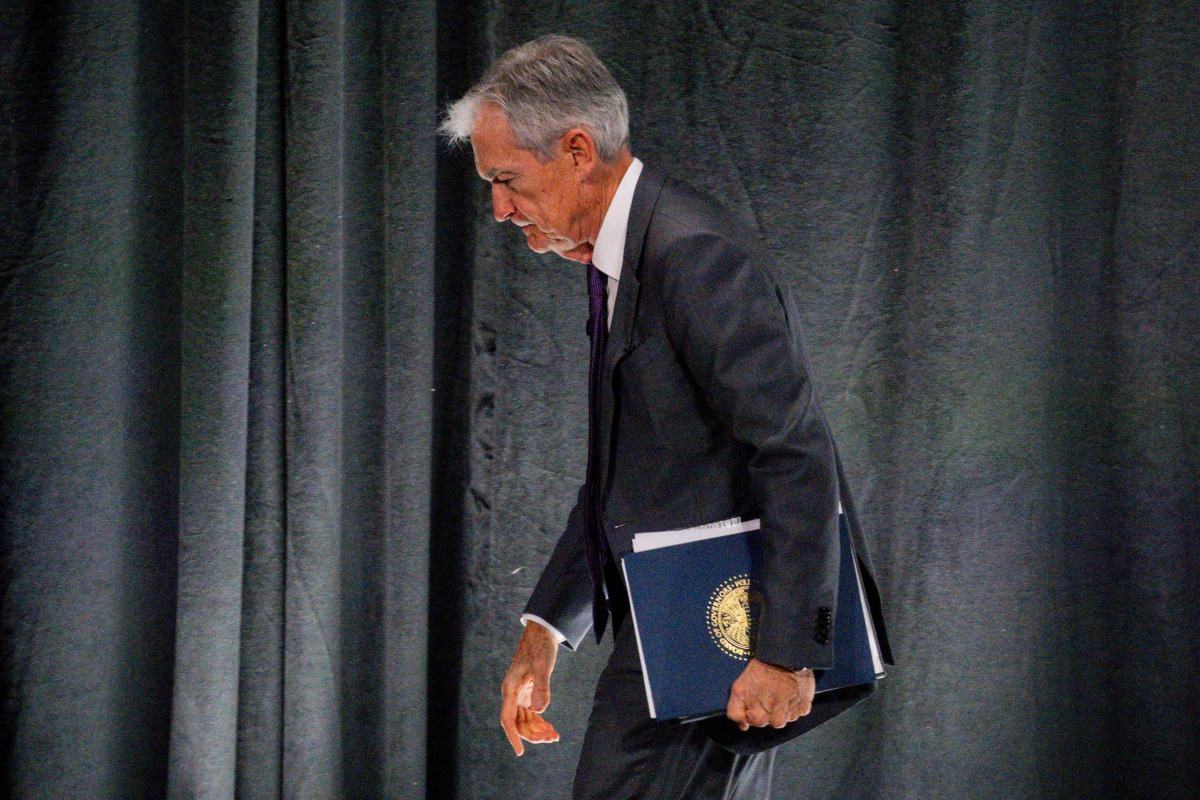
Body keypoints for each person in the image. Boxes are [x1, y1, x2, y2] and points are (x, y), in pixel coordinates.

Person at [440, 34, 891, 800]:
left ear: (577, 149)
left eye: (508, 180)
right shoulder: (625, 258)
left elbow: (795, 452)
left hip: (722, 640)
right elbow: (629, 477)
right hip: (679, 636)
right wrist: (546, 630)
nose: (499, 208)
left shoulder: (691, 256)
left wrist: (788, 653)